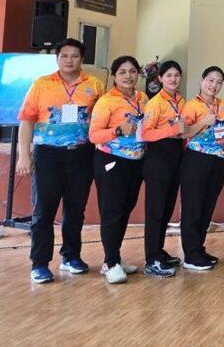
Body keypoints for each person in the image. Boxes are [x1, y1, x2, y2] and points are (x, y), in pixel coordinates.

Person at [16, 38, 106, 284]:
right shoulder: (42, 84)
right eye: (64, 55)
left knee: (75, 209)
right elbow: (27, 121)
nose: (69, 60)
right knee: (43, 211)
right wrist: (24, 155)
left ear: (82, 59)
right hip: (48, 155)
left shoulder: (95, 85)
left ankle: (71, 256)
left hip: (82, 154)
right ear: (57, 58)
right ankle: (40, 263)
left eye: (74, 56)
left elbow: (102, 118)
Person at [88, 55, 147, 284]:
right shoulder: (106, 101)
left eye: (132, 71)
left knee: (125, 210)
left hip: (136, 161)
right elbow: (94, 135)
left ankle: (114, 258)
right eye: (122, 72)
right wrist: (118, 131)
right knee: (112, 211)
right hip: (111, 161)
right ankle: (111, 263)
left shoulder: (143, 98)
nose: (128, 76)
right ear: (114, 76)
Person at [179, 66, 224, 271]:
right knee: (193, 207)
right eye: (210, 80)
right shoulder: (191, 105)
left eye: (218, 82)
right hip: (196, 159)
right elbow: (184, 133)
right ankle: (190, 255)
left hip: (218, 159)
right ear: (202, 81)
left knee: (207, 207)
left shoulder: (222, 104)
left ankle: (199, 248)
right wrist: (203, 122)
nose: (214, 85)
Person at [141, 60, 185, 277]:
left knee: (167, 208)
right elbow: (146, 133)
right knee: (156, 210)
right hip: (158, 158)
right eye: (168, 75)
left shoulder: (181, 101)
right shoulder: (155, 103)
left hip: (176, 157)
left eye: (176, 75)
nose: (173, 79)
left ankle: (159, 251)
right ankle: (151, 259)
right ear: (159, 78)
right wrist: (172, 130)